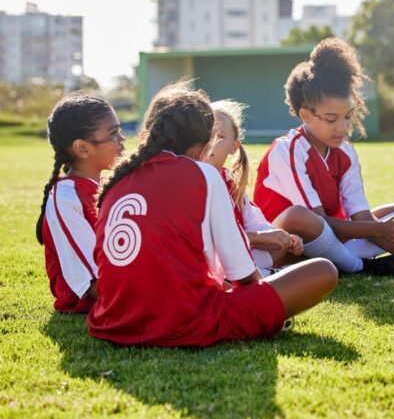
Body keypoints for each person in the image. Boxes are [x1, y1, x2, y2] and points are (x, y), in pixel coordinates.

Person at [88, 82, 337, 346]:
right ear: (202, 145)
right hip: (183, 322)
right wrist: (265, 305)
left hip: (112, 322)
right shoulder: (204, 174)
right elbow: (243, 275)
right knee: (323, 271)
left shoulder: (116, 182)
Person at [253, 38, 394, 275]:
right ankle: (358, 266)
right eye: (331, 119)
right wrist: (380, 230)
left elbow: (360, 214)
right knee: (302, 217)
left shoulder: (346, 151)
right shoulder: (287, 150)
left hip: (331, 239)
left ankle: (338, 260)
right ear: (306, 115)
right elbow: (316, 222)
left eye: (348, 117)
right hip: (285, 243)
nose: (342, 127)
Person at [207, 99, 339, 275]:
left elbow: (255, 222)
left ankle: (264, 273)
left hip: (238, 254)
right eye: (207, 134)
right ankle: (263, 276)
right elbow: (210, 239)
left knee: (279, 245)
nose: (211, 142)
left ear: (234, 146)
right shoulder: (193, 182)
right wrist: (258, 238)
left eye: (220, 136)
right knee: (316, 270)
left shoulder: (231, 183)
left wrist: (279, 236)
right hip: (212, 260)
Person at [36, 94, 125, 313]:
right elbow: (94, 284)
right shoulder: (66, 197)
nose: (122, 139)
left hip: (122, 283)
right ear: (82, 149)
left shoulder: (110, 185)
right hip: (91, 299)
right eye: (113, 134)